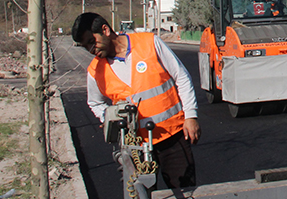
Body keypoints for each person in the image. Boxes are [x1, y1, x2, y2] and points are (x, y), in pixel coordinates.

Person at [71, 12, 200, 189]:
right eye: (85, 46)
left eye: (91, 41)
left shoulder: (149, 43)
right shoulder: (95, 71)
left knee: (185, 195)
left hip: (172, 136)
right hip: (135, 147)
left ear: (105, 30)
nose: (91, 49)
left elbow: (182, 76)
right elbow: (95, 102)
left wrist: (191, 116)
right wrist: (107, 118)